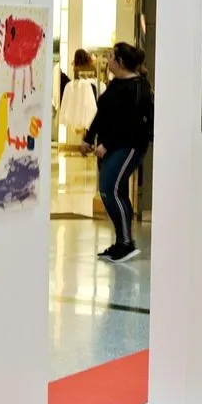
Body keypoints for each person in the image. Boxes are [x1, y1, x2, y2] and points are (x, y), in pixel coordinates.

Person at [81, 42, 154, 264]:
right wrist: (88, 138)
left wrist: (107, 144)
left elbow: (131, 124)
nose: (108, 61)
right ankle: (122, 240)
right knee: (116, 191)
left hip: (129, 147)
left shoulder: (138, 88)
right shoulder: (115, 84)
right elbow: (102, 114)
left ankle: (126, 243)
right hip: (111, 146)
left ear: (120, 62)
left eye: (112, 57)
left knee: (108, 189)